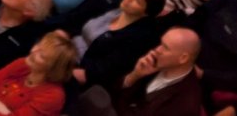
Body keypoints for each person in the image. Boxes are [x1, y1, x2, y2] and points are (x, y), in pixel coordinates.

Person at [76, 28, 204, 116]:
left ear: (183, 58)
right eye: (160, 43)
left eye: (165, 47)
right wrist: (134, 76)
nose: (157, 49)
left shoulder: (186, 104)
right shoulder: (154, 61)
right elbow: (113, 90)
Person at [73, 0, 165, 93]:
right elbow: (79, 16)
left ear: (145, 13)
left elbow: (99, 72)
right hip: (66, 47)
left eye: (138, 1)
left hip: (77, 70)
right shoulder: (115, 4)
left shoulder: (135, 40)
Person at [0, 32, 77, 116]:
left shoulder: (53, 96)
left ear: (53, 68)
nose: (33, 51)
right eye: (38, 45)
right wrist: (3, 110)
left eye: (42, 55)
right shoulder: (22, 64)